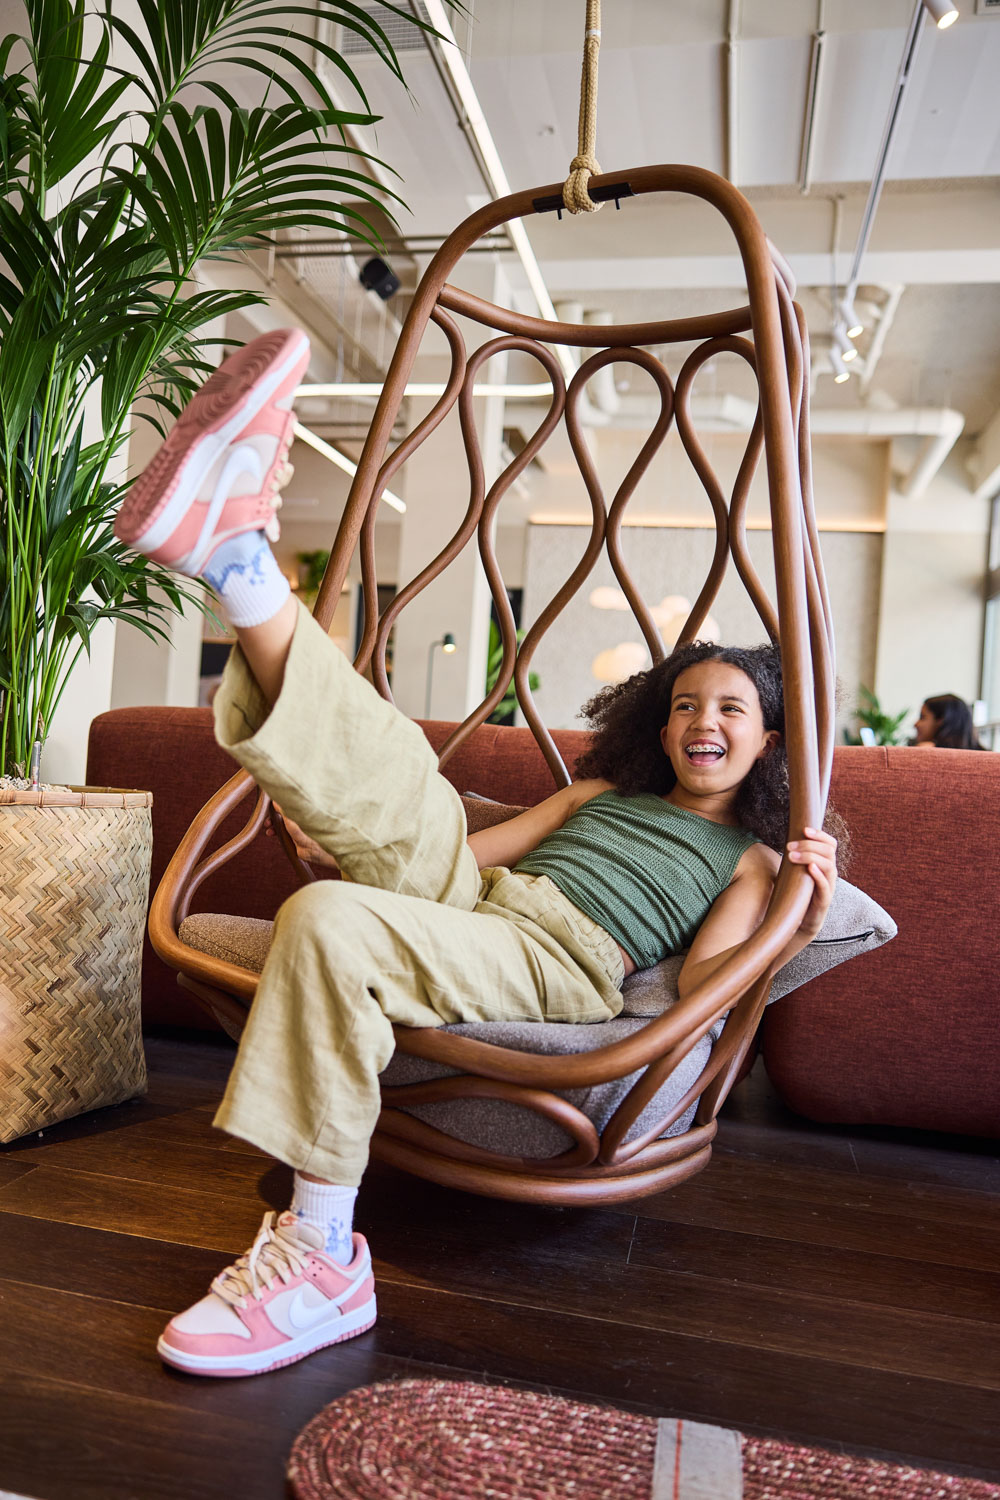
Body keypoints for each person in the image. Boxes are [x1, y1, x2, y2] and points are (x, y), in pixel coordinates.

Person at [114, 329, 840, 1380]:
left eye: (730, 707)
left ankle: (322, 1258)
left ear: (770, 739)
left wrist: (797, 922)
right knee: (400, 802)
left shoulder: (750, 862)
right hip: (488, 902)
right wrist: (361, 825)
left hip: (563, 964)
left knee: (325, 925)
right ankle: (235, 563)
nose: (701, 722)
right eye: (684, 704)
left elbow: (701, 985)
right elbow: (461, 846)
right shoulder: (599, 790)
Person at [912, 694, 985, 750]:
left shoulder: (925, 751)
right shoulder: (988, 757)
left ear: (941, 720)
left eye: (922, 717)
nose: (915, 724)